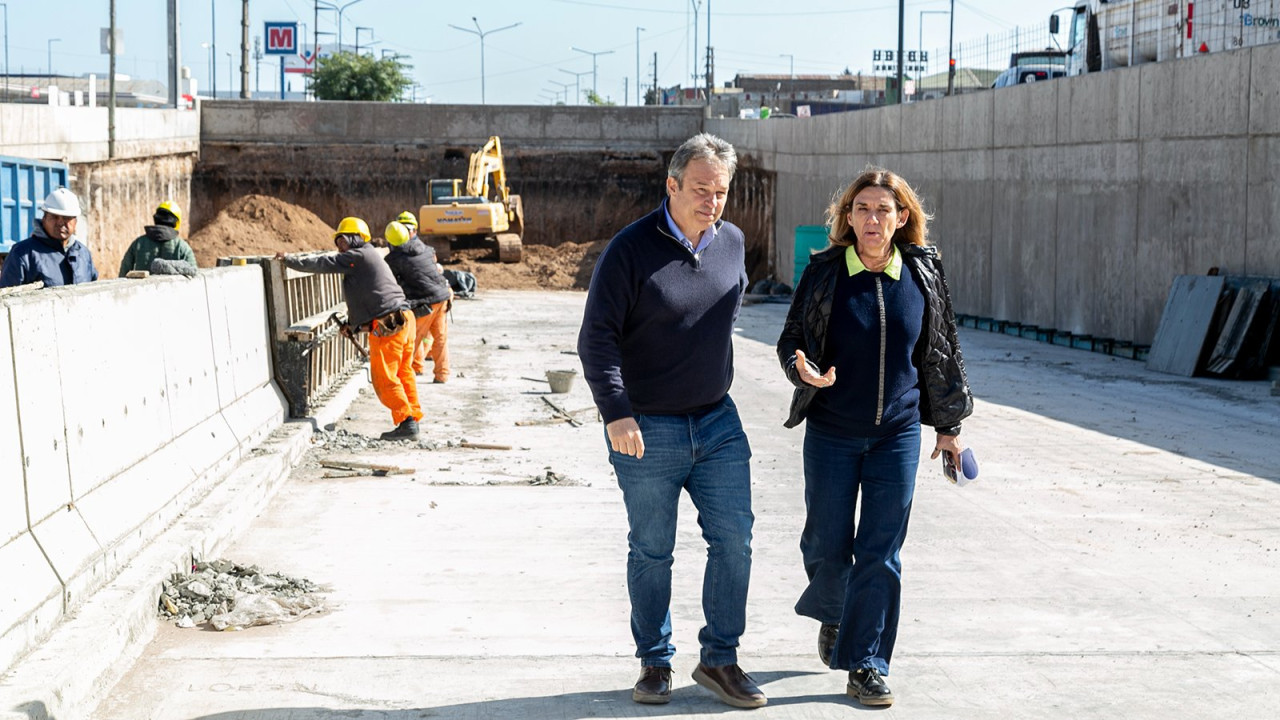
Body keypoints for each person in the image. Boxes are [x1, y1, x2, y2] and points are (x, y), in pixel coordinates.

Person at [578, 133, 765, 709]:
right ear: (672, 185)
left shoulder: (732, 242)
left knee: (735, 540)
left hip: (717, 422)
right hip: (646, 429)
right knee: (653, 550)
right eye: (701, 189)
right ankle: (654, 662)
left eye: (721, 191)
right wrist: (617, 414)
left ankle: (720, 660)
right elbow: (596, 340)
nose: (712, 201)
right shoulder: (630, 249)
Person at [775, 167, 974, 707]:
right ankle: (836, 611)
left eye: (883, 209)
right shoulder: (823, 273)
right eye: (861, 209)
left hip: (898, 436)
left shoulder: (921, 273)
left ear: (902, 217)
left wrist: (950, 427)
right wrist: (803, 370)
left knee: (881, 552)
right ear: (847, 217)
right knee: (825, 543)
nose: (871, 218)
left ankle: (866, 663)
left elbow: (941, 352)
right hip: (833, 433)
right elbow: (791, 339)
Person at [275, 217, 422, 440]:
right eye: (338, 242)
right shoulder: (368, 255)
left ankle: (406, 422)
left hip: (390, 323)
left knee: (384, 378)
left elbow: (323, 264)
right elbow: (376, 302)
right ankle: (412, 416)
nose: (340, 247)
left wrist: (290, 260)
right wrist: (357, 327)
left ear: (355, 239)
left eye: (343, 240)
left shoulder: (358, 255)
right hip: (402, 319)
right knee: (403, 372)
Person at [384, 214, 452, 383]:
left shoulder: (395, 258)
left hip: (426, 301)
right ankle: (442, 374)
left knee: (413, 338)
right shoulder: (425, 248)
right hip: (443, 297)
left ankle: (406, 373)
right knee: (440, 338)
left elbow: (391, 282)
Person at [0, 188, 99, 288]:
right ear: (44, 219)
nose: (60, 223)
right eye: (54, 217)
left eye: (66, 218)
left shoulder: (83, 254)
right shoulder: (22, 254)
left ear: (75, 222)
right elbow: (7, 297)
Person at [119, 201, 197, 276]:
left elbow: (124, 272)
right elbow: (194, 273)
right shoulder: (182, 247)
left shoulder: (138, 243)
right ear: (176, 222)